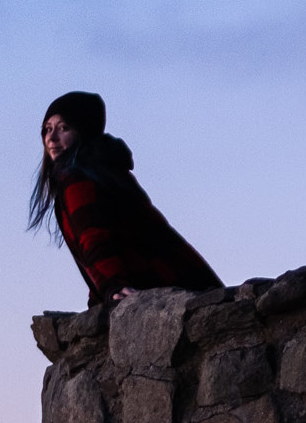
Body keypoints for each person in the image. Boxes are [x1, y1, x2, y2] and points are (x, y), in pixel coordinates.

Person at [27, 91, 224, 306]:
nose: (51, 138)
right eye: (47, 129)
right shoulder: (107, 172)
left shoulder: (77, 178)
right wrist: (100, 292)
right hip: (187, 280)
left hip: (160, 285)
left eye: (64, 128)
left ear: (83, 130)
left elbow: (94, 235)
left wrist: (112, 285)